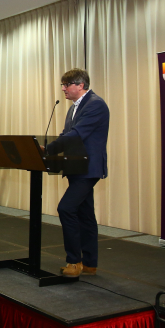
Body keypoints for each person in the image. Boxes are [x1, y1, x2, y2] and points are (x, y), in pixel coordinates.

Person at [45, 68, 109, 277]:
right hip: (76, 167)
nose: (63, 89)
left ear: (80, 85)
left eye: (67, 84)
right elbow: (67, 134)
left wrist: (48, 149)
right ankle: (90, 263)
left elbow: (77, 135)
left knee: (66, 209)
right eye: (62, 85)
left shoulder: (95, 104)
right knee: (85, 214)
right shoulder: (73, 108)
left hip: (88, 168)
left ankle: (74, 262)